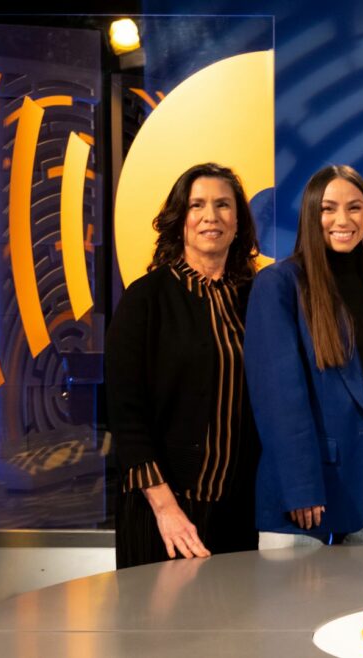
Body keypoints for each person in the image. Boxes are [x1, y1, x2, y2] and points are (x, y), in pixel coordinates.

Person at [245, 165, 363, 547]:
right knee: (296, 605)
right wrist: (300, 485)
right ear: (309, 214)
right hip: (303, 477)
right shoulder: (279, 285)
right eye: (328, 208)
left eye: (354, 208)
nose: (342, 220)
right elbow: (278, 399)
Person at [106, 162, 261, 568]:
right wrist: (166, 510)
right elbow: (125, 416)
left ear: (238, 221)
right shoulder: (146, 299)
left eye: (223, 205)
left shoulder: (255, 299)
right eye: (198, 205)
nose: (211, 216)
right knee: (162, 630)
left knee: (236, 629)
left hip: (238, 512)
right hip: (163, 512)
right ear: (180, 220)